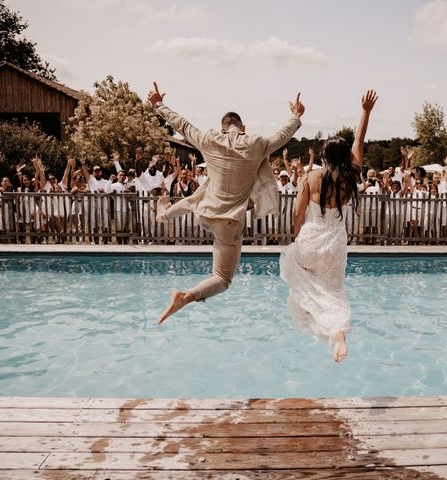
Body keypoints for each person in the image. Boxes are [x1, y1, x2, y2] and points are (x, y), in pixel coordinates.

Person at [150, 82, 305, 324]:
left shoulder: (209, 139)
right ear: (243, 127)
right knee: (222, 279)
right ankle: (186, 297)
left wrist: (159, 104)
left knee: (204, 190)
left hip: (205, 213)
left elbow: (182, 124)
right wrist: (295, 116)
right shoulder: (255, 143)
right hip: (229, 223)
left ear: (223, 128)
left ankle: (164, 214)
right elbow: (282, 136)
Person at [280, 90, 378, 363]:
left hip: (311, 239)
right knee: (333, 291)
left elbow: (298, 215)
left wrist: (297, 236)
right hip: (335, 242)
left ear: (323, 157)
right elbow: (359, 139)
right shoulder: (351, 176)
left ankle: (318, 318)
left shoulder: (310, 178)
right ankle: (339, 335)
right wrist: (365, 112)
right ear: (345, 157)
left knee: (302, 279)